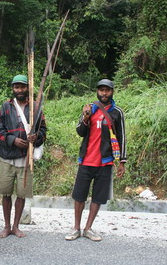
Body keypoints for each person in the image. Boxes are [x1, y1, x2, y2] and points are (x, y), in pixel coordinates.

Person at [65, 79, 126, 242]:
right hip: (86, 160)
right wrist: (86, 117)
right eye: (101, 90)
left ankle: (88, 228)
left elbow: (122, 137)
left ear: (112, 92)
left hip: (105, 162)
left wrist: (122, 161)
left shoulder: (117, 112)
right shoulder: (89, 108)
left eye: (107, 90)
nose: (104, 93)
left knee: (98, 197)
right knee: (79, 196)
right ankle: (76, 228)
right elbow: (80, 131)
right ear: (97, 92)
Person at [0, 74, 47, 238]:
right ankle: (6, 226)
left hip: (26, 158)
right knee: (6, 193)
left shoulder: (36, 108)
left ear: (27, 88)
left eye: (22, 86)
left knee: (21, 193)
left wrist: (36, 138)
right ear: (13, 89)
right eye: (16, 87)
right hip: (7, 157)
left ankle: (16, 226)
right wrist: (13, 140)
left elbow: (43, 130)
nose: (19, 90)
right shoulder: (5, 107)